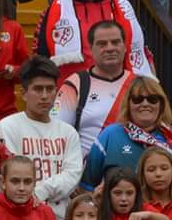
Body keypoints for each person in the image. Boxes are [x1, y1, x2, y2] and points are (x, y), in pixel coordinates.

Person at [38, 0, 153, 86]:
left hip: (120, 95)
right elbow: (41, 61)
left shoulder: (123, 8)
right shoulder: (53, 12)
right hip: (72, 96)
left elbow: (144, 54)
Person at [0, 57, 82, 216]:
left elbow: (72, 176)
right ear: (24, 93)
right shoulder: (7, 126)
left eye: (50, 89)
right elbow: (10, 175)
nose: (44, 96)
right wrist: (30, 196)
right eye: (38, 89)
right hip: (18, 216)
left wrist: (41, 191)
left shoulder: (69, 133)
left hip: (59, 219)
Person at [84, 75, 172, 189]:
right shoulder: (110, 135)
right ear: (128, 104)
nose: (145, 104)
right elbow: (86, 184)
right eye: (137, 99)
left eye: (152, 99)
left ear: (161, 104)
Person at [53, 20, 136, 162]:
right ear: (91, 49)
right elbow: (56, 133)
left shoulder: (140, 85)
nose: (110, 48)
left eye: (115, 42)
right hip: (86, 177)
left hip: (131, 174)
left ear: (125, 47)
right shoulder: (75, 84)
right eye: (102, 44)